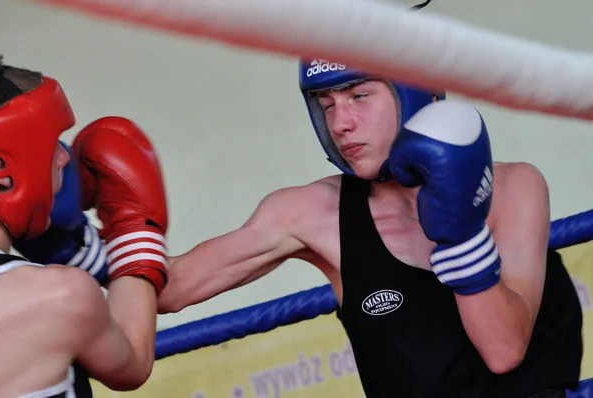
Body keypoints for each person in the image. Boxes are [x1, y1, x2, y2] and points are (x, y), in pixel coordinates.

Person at [154, 59, 584, 398]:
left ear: (417, 91)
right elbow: (172, 289)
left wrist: (462, 234)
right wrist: (110, 233)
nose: (340, 124)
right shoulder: (310, 213)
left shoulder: (515, 187)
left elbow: (504, 350)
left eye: (359, 95)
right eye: (327, 104)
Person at [0, 57, 169, 397]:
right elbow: (131, 365)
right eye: (50, 143)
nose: (63, 157)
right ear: (1, 167)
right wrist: (135, 228)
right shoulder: (57, 295)